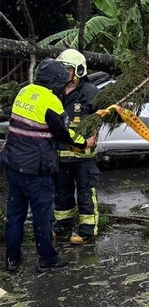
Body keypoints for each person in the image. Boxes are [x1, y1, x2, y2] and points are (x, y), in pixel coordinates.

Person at [1, 59, 95, 273]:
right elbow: (63, 132)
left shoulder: (24, 92)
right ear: (56, 82)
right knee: (43, 215)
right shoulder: (51, 101)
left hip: (13, 165)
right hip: (35, 169)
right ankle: (48, 259)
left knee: (15, 213)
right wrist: (84, 142)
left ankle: (12, 260)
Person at [54, 49, 100, 245]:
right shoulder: (54, 91)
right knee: (62, 195)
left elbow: (102, 116)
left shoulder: (91, 93)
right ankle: (62, 228)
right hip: (60, 156)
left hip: (84, 157)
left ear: (78, 70)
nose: (63, 73)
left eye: (67, 69)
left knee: (85, 194)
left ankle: (87, 232)